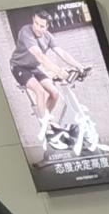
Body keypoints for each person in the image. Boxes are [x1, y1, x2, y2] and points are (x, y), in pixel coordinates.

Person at [8, 9, 81, 147]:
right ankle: (47, 129)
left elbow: (61, 52)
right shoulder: (26, 31)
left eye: (42, 26)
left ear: (47, 27)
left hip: (33, 68)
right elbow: (39, 55)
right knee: (40, 92)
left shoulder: (48, 37)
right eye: (36, 23)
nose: (37, 27)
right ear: (33, 21)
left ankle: (45, 118)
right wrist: (58, 71)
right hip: (19, 67)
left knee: (54, 93)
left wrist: (79, 66)